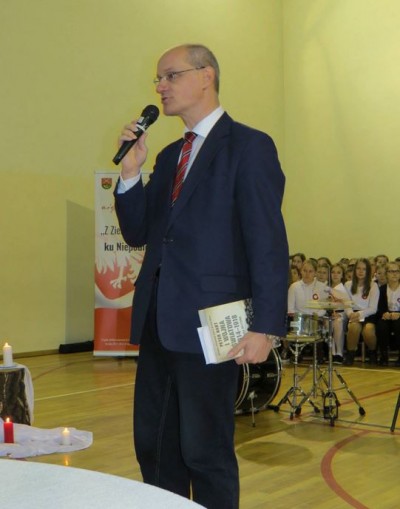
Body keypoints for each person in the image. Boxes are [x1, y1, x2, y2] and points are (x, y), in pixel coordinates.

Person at [113, 44, 288, 509]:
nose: (160, 87)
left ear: (206, 75)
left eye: (170, 75)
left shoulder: (249, 147)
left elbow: (267, 242)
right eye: (157, 78)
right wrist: (130, 173)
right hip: (159, 323)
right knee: (154, 447)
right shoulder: (170, 154)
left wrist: (266, 326)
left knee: (205, 451)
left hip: (214, 328)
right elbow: (138, 232)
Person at [344, 258, 379, 365]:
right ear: (354, 270)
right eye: (358, 268)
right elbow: (346, 304)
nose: (360, 271)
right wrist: (350, 314)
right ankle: (350, 354)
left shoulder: (373, 285)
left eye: (364, 269)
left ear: (368, 271)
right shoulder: (348, 285)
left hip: (368, 314)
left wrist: (359, 314)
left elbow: (373, 308)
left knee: (368, 331)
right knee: (353, 327)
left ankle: (372, 352)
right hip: (353, 314)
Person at [376, 261, 400, 366]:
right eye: (391, 271)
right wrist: (384, 313)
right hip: (387, 315)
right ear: (386, 274)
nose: (394, 274)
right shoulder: (382, 289)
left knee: (398, 325)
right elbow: (379, 307)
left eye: (397, 271)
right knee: (381, 326)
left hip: (399, 315)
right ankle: (383, 355)